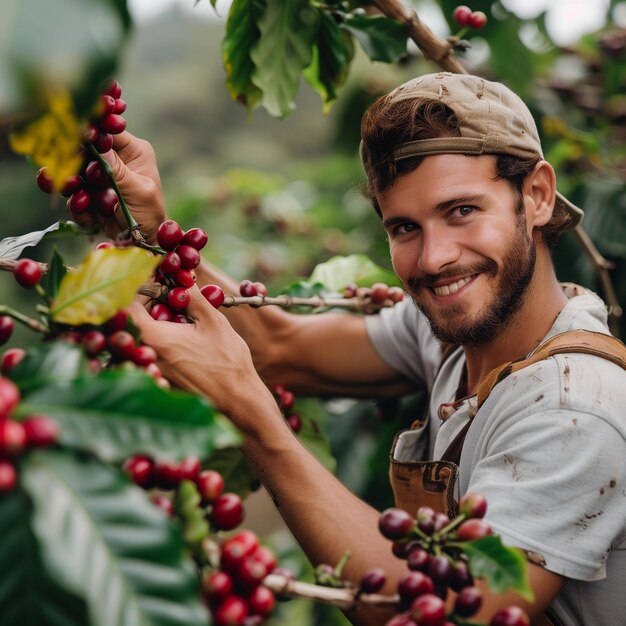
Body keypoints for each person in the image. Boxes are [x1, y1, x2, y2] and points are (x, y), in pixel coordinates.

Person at [102, 72, 625, 626]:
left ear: (537, 196)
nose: (433, 259)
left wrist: (249, 413)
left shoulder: (575, 408)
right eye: (404, 228)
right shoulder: (454, 332)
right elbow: (283, 349)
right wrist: (155, 232)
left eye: (462, 211)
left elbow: (437, 616)